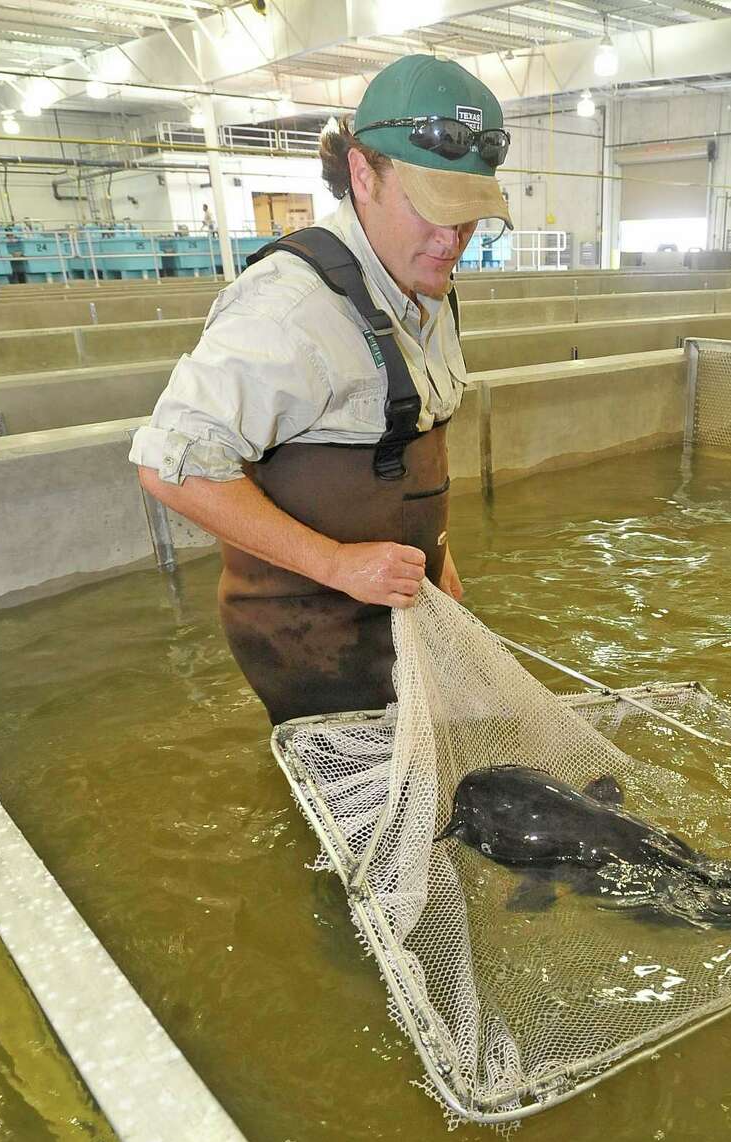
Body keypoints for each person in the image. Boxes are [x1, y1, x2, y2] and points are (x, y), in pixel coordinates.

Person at [131, 56, 512, 722]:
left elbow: (410, 447)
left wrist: (437, 556)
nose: (452, 238)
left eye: (469, 214)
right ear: (364, 175)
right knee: (355, 782)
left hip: (395, 610)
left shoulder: (425, 287)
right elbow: (172, 464)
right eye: (433, 207)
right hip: (312, 638)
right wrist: (336, 563)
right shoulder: (288, 309)